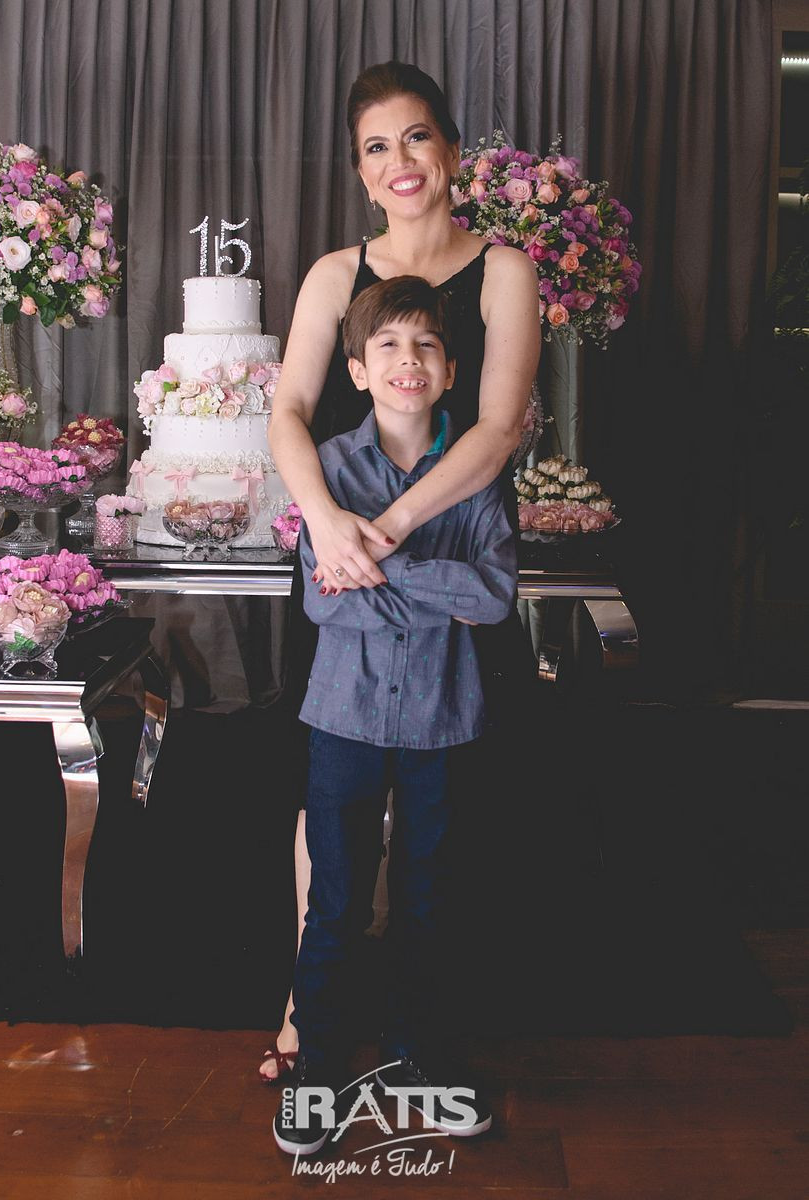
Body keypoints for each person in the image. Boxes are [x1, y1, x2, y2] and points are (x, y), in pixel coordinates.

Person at [260, 59, 540, 1084]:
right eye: (376, 146)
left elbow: (498, 426)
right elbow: (288, 414)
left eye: (416, 136)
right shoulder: (332, 274)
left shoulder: (503, 270)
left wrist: (384, 531)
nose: (400, 161)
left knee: (437, 835)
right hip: (338, 540)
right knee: (332, 811)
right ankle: (309, 1020)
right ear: (359, 169)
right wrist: (327, 522)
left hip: (436, 529)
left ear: (452, 150)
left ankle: (425, 1039)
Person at [273, 275, 518, 1155]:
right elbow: (323, 600)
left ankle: (421, 1057)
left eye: (425, 346)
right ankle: (317, 1064)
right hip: (342, 715)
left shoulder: (479, 472)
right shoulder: (331, 469)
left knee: (430, 897)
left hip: (445, 719)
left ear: (449, 370)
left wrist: (381, 558)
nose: (406, 361)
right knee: (336, 899)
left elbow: (491, 597)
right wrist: (429, 584)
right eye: (387, 346)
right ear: (356, 370)